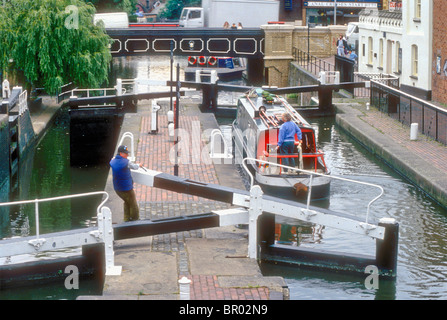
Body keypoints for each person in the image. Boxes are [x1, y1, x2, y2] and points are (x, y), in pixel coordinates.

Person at [110, 145, 142, 222]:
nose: (127, 155)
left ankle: (127, 219)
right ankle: (135, 219)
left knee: (127, 202)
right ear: (121, 153)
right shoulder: (126, 162)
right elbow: (134, 167)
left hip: (117, 189)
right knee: (133, 204)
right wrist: (139, 165)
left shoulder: (112, 161)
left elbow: (112, 161)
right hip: (126, 189)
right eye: (126, 153)